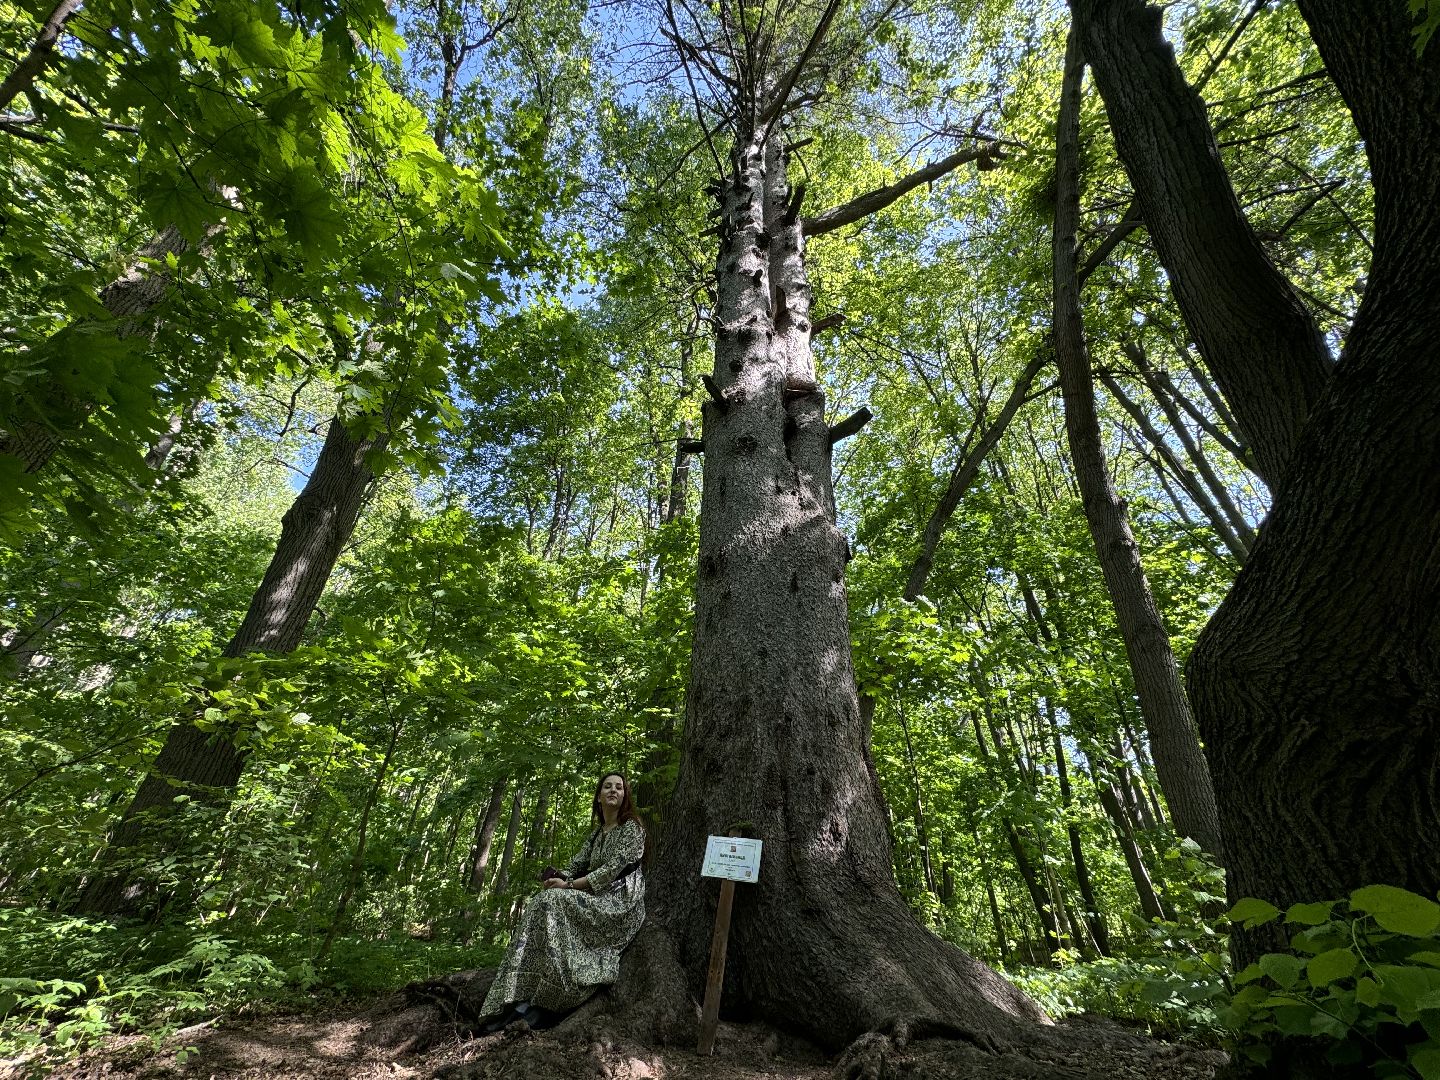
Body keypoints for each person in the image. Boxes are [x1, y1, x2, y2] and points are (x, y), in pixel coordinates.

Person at [477, 771, 647, 1031]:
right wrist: (557, 878)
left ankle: (555, 997)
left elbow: (610, 871)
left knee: (553, 902)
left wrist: (567, 886)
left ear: (625, 796)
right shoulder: (597, 834)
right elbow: (576, 865)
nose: (613, 790)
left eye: (619, 787)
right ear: (599, 796)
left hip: (620, 903)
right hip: (596, 896)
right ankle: (518, 994)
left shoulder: (632, 828)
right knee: (544, 900)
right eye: (607, 787)